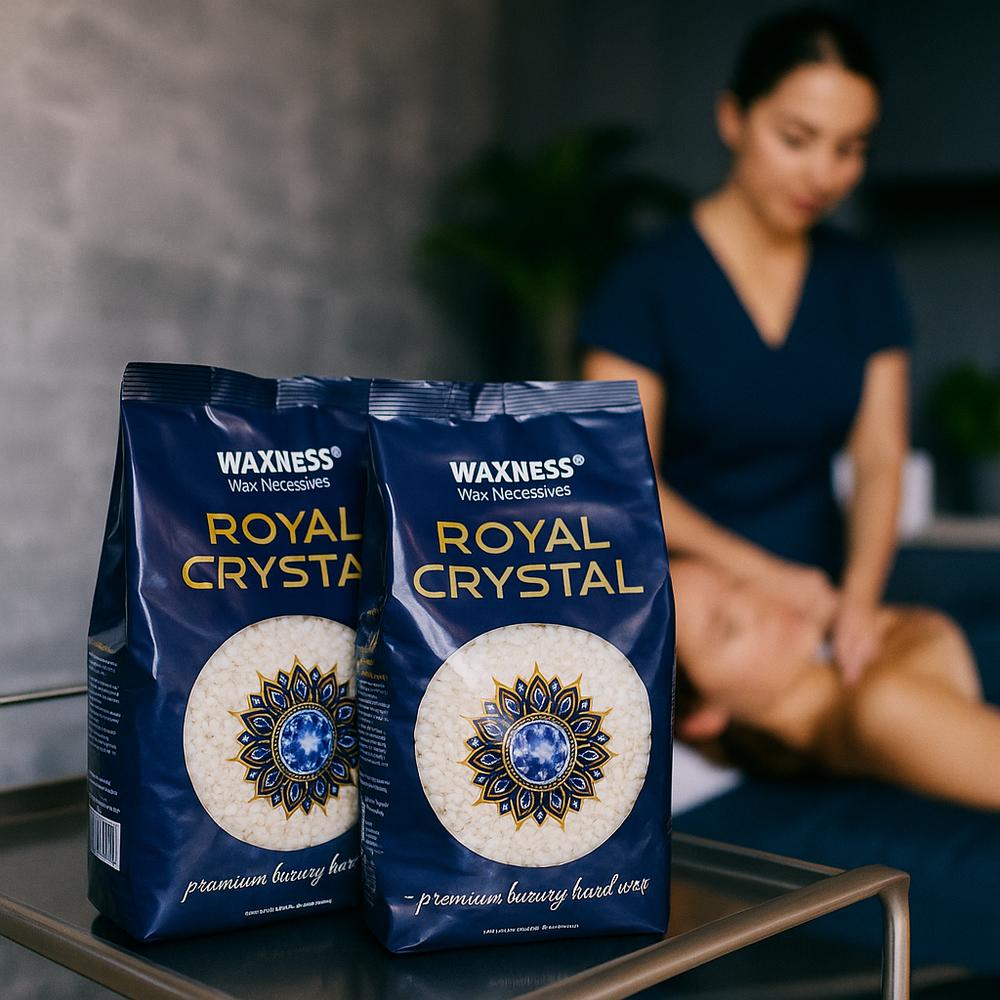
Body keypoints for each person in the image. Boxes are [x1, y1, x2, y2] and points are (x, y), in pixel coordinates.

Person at [579, 7, 913, 687]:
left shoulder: (863, 277)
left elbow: (880, 458)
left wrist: (858, 601)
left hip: (823, 611)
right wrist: (770, 579)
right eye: (797, 139)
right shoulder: (646, 280)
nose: (823, 174)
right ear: (733, 118)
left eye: (850, 148)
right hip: (701, 620)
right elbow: (621, 480)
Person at [671, 556, 1000, 810]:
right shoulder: (880, 707)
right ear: (701, 717)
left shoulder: (869, 658)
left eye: (738, 584)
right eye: (727, 628)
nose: (756, 604)